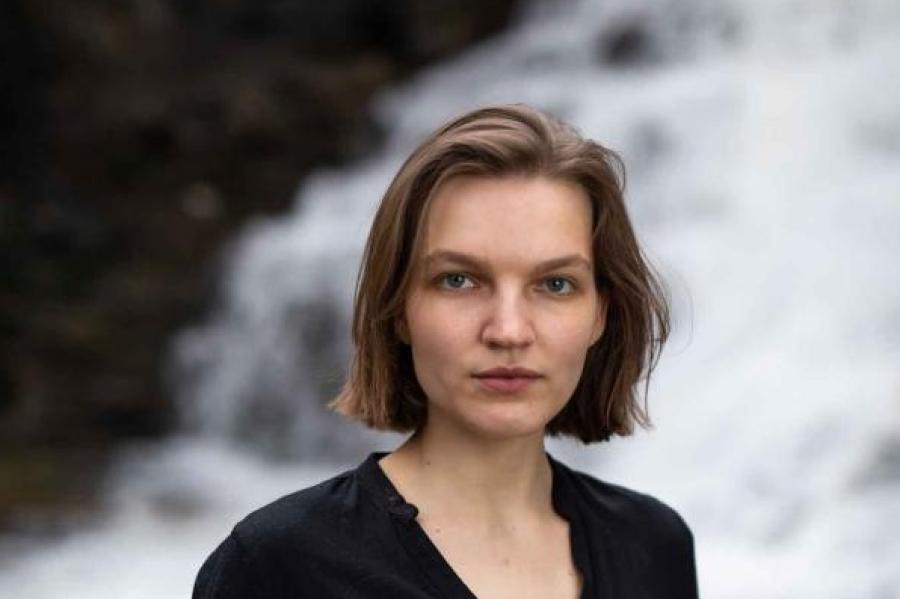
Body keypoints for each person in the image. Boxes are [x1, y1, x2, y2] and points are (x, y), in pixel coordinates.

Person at [192, 103, 699, 598]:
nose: (508, 330)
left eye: (556, 284)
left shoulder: (653, 547)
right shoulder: (278, 566)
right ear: (398, 308)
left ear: (600, 316)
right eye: (459, 280)